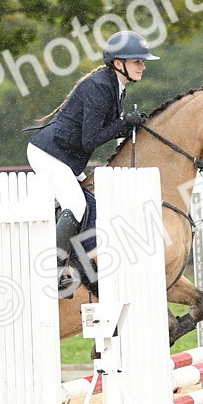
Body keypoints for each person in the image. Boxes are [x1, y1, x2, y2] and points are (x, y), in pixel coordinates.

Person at [25, 29, 158, 288]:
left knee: (92, 202)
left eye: (142, 61)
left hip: (67, 157)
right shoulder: (99, 87)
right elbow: (90, 140)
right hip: (50, 154)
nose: (143, 66)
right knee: (75, 204)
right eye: (137, 61)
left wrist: (127, 124)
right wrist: (122, 124)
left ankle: (81, 261)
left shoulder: (115, 86)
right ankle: (53, 270)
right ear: (119, 64)